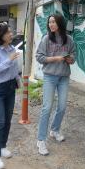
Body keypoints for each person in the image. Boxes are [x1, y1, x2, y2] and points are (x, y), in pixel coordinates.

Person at [35, 14, 76, 156]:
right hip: (50, 77)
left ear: (60, 23)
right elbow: (39, 57)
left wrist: (70, 59)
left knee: (62, 106)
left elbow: (73, 56)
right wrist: (55, 58)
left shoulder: (69, 40)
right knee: (46, 108)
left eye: (53, 22)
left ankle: (55, 130)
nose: (51, 24)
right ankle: (41, 140)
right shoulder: (46, 39)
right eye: (49, 22)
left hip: (64, 77)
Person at [0, 23, 21, 169]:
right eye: (8, 33)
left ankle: (2, 146)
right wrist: (9, 59)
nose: (11, 34)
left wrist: (18, 82)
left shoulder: (12, 49)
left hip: (10, 87)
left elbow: (14, 71)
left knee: (7, 120)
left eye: (10, 32)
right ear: (1, 36)